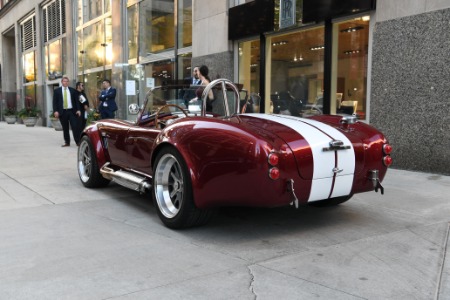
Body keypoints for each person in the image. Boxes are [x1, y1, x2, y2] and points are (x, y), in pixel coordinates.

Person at [52, 77, 81, 147]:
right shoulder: (57, 91)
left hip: (72, 111)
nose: (66, 82)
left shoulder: (72, 91)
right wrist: (55, 111)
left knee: (75, 127)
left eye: (67, 81)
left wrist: (78, 110)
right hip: (63, 112)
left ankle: (78, 142)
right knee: (65, 128)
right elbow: (54, 102)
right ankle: (67, 142)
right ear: (62, 82)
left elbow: (76, 101)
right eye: (64, 81)